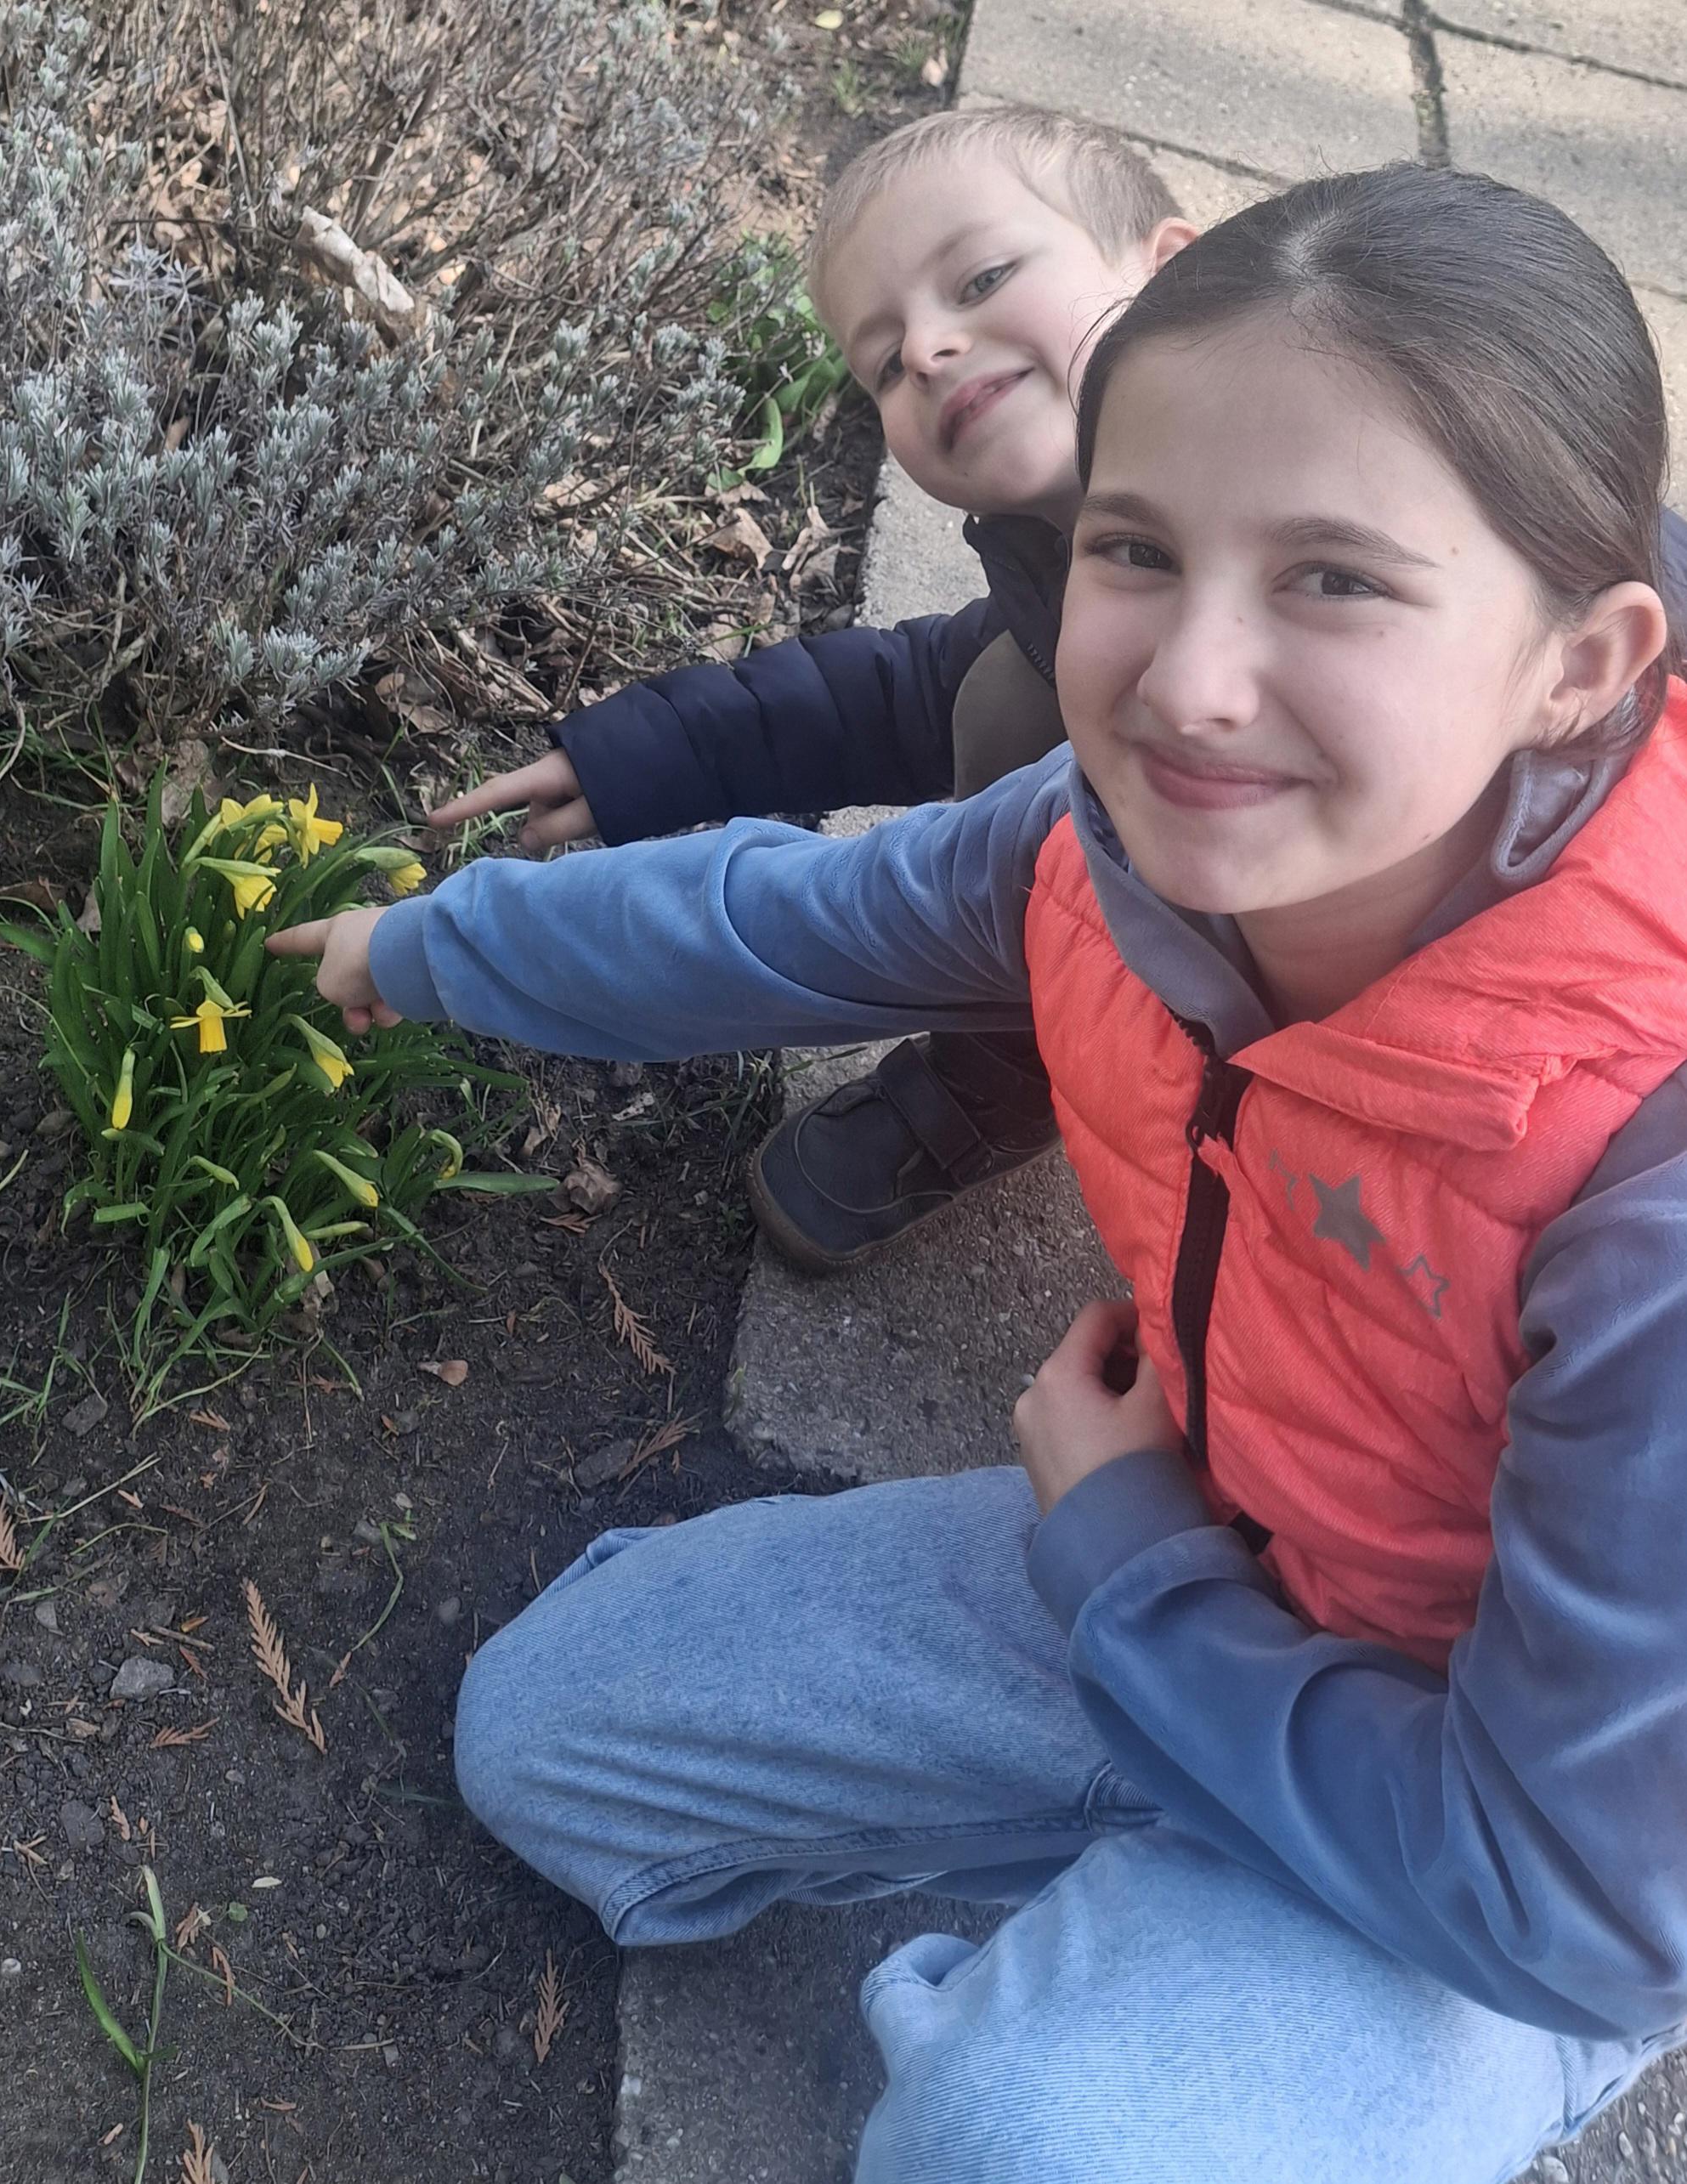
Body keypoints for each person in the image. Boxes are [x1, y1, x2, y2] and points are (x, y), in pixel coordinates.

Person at [272, 163, 1687, 2180]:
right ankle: (1178, 1884)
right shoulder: (1111, 844)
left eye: (1335, 580)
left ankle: (1321, 2033)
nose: (1187, 683)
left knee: (1027, 2147)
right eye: (1138, 549)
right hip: (1226, 1529)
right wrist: (427, 946)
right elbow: (787, 918)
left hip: (1505, 1792)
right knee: (556, 1742)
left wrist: (1125, 1576)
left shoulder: (1647, 1171)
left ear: (1582, 660)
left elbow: (1570, 1891)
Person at [426, 105, 1201, 1273]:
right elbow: (898, 692)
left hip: (1367, 1049)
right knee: (1000, 703)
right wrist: (647, 755)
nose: (927, 350)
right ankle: (1022, 1061)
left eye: (982, 277)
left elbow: (881, 908)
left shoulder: (1331, 566)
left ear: (1170, 273)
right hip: (1155, 927)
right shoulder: (1052, 576)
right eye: (883, 361)